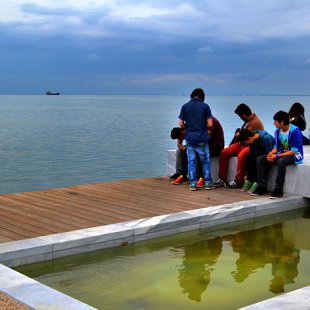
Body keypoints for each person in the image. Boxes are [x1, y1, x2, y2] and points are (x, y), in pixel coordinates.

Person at [251, 110, 303, 198]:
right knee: (260, 159)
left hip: (295, 154)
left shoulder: (295, 131)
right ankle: (262, 187)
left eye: (275, 121)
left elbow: (294, 151)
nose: (273, 123)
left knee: (281, 161)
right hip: (282, 152)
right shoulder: (277, 131)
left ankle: (279, 189)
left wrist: (277, 156)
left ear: (282, 122)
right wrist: (270, 153)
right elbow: (276, 147)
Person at [214, 103, 264, 188]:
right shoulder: (248, 121)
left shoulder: (255, 123)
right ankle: (222, 178)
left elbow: (244, 136)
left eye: (240, 116)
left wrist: (239, 134)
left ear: (244, 115)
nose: (240, 118)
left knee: (242, 155)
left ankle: (238, 180)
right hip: (242, 143)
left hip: (251, 145)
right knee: (224, 152)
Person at [170, 116, 225, 186]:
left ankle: (201, 177)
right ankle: (182, 175)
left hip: (215, 146)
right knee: (182, 151)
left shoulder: (208, 122)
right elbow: (180, 143)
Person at [178, 88, 214, 191]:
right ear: (202, 97)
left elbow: (180, 124)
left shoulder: (184, 107)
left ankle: (192, 184)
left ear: (192, 95)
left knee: (191, 161)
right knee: (205, 161)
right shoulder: (205, 106)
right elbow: (210, 124)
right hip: (202, 138)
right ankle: (207, 183)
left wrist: (187, 127)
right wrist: (203, 126)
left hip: (190, 139)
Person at [237, 129, 275, 193]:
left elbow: (270, 154)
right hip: (258, 154)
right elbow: (252, 153)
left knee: (259, 159)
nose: (246, 144)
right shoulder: (252, 140)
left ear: (249, 138)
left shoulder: (266, 138)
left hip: (269, 154)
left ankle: (258, 181)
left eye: (245, 142)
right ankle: (249, 179)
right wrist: (247, 173)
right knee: (249, 156)